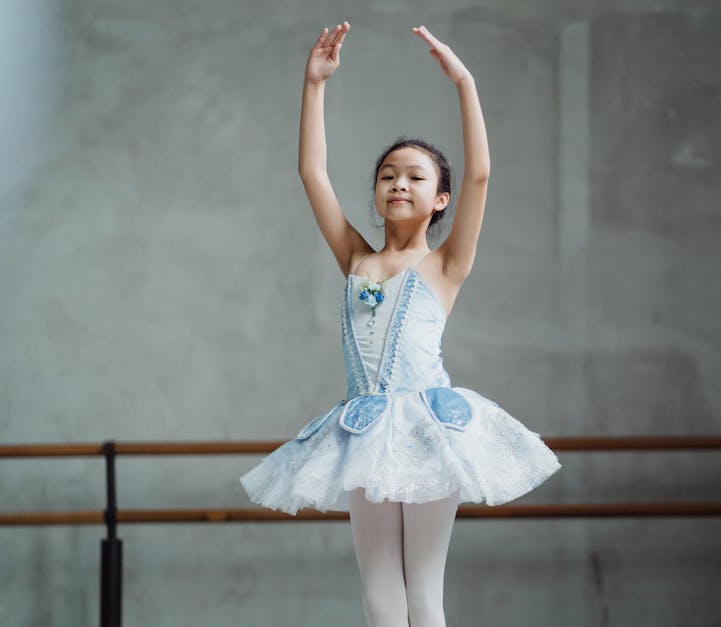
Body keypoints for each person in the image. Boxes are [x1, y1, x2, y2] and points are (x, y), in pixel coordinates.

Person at [240, 21, 561, 627]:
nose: (398, 183)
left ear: (440, 198)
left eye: (416, 176)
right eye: (388, 175)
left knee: (423, 593)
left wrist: (463, 83)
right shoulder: (358, 259)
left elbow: (482, 175)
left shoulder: (445, 263)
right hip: (363, 428)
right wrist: (314, 86)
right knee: (379, 591)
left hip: (426, 427)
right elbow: (313, 176)